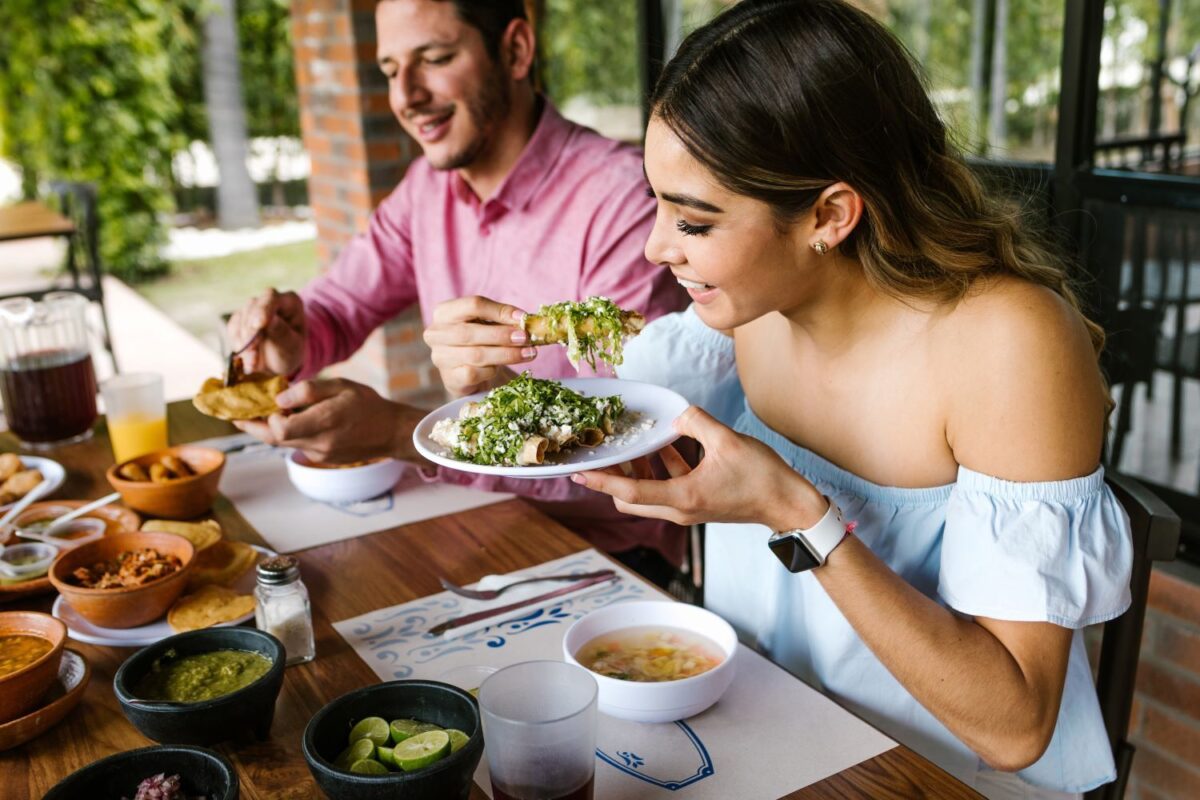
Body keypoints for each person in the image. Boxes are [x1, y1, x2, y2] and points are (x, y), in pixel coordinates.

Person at [573, 1, 1133, 797]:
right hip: (764, 731)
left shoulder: (1007, 343)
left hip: (930, 773)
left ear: (828, 215)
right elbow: (630, 399)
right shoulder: (753, 306)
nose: (655, 248)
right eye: (659, 203)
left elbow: (1014, 726)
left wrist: (797, 514)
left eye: (694, 222)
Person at [226, 0, 687, 582]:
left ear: (516, 50)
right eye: (391, 70)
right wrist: (290, 339)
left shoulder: (622, 201)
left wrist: (400, 434)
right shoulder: (427, 188)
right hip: (473, 518)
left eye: (436, 58)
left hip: (608, 554)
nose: (406, 96)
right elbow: (340, 306)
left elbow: (635, 452)